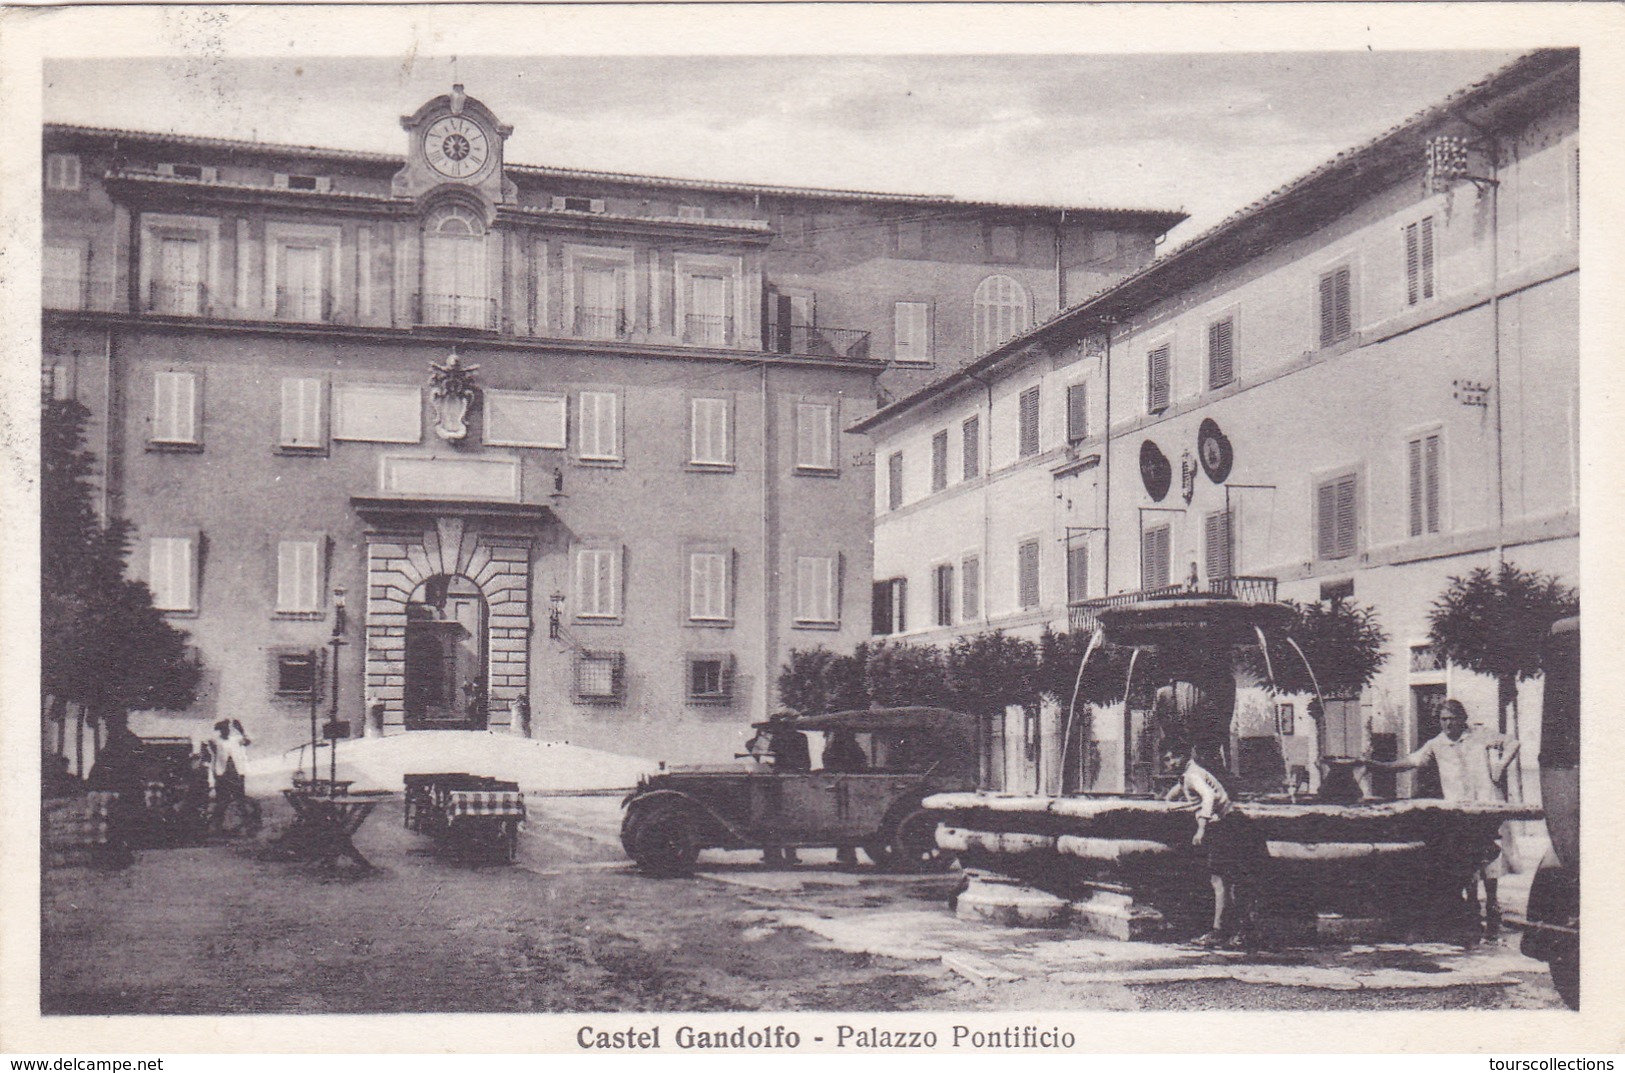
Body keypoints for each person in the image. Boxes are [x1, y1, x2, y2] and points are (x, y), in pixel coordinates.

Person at [1364, 698, 1521, 935]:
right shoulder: (1436, 744)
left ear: (1462, 719)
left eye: (1451, 719)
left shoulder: (1480, 735)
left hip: (1487, 802)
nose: (1447, 724)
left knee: (1491, 856)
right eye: (1442, 720)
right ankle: (1472, 902)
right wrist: (1379, 766)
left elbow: (1512, 743)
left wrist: (1499, 766)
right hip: (1458, 809)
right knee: (1466, 856)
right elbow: (1412, 761)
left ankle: (1492, 902)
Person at [1162, 736, 1264, 948]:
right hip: (1233, 823)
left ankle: (1222, 931)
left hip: (1227, 826)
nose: (1168, 764)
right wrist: (1176, 804)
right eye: (1166, 760)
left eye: (1171, 758)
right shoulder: (1189, 775)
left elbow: (1208, 797)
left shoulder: (1192, 776)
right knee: (1226, 879)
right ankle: (1234, 931)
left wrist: (1200, 828)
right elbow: (1173, 798)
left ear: (1183, 757)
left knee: (1221, 879)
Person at [759, 711, 810, 867]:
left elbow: (757, 753)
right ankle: (788, 854)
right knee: (789, 818)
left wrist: (766, 731)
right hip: (791, 780)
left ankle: (772, 854)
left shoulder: (773, 737)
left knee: (774, 818)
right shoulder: (800, 737)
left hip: (776, 780)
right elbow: (806, 763)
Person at [821, 729, 868, 865]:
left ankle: (846, 856)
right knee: (846, 820)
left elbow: (828, 761)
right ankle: (847, 855)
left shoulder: (838, 747)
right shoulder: (854, 747)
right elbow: (862, 763)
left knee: (843, 819)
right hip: (849, 785)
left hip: (843, 785)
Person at [208, 719, 261, 836]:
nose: (226, 732)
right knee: (222, 801)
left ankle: (247, 827)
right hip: (222, 774)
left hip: (237, 773)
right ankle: (217, 827)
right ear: (220, 731)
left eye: (227, 729)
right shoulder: (216, 741)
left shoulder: (236, 740)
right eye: (223, 730)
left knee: (240, 800)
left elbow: (248, 741)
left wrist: (241, 729)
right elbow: (213, 751)